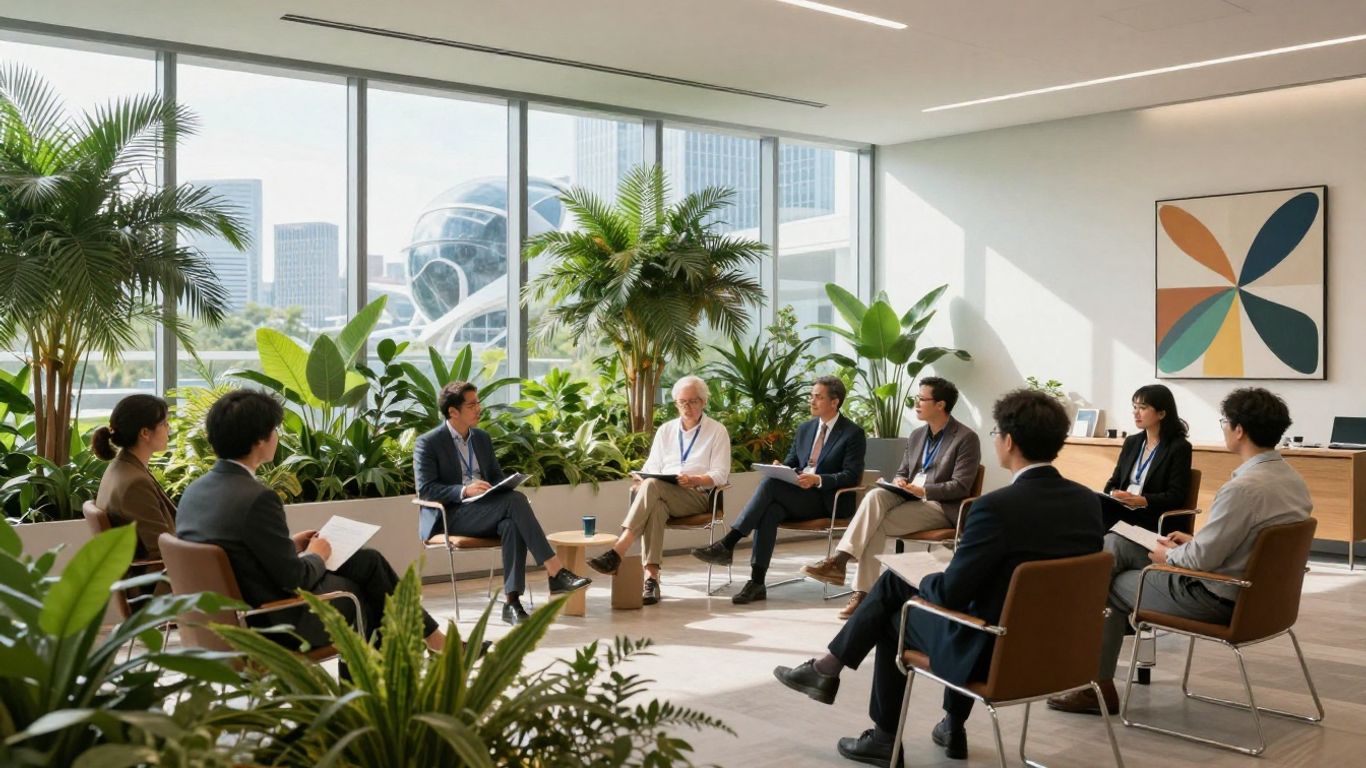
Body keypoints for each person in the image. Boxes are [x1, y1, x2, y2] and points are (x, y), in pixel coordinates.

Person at [772, 390, 1103, 765]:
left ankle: (876, 728)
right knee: (967, 600)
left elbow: (951, 595)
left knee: (896, 608)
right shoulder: (1088, 503)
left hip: (995, 653)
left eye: (996, 432)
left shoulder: (995, 509)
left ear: (1009, 441)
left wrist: (925, 575)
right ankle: (950, 725)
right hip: (1061, 653)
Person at [1049, 387, 1312, 717]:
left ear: (1239, 430)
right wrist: (1191, 542)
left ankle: (1094, 685)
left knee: (1108, 580)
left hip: (1216, 599)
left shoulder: (1242, 489)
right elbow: (1245, 543)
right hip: (1265, 602)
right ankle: (1087, 662)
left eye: (1224, 422)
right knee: (1115, 547)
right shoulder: (1292, 480)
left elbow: (1200, 562)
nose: (1224, 428)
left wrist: (1170, 556)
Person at [176, 390, 447, 653]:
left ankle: (432, 638)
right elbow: (296, 579)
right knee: (361, 594)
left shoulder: (195, 492)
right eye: (274, 430)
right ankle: (371, 686)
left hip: (224, 615)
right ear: (259, 440)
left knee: (367, 561)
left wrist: (291, 546)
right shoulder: (258, 498)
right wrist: (316, 555)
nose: (276, 437)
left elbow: (239, 553)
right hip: (274, 621)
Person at [801, 377, 981, 619]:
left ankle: (856, 585)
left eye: (922, 399)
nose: (916, 403)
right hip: (909, 498)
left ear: (940, 405)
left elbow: (960, 486)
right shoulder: (917, 435)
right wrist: (899, 482)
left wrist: (924, 491)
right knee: (876, 495)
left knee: (874, 526)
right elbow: (903, 472)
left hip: (939, 506)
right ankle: (843, 566)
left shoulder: (965, 438)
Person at [414, 380, 590, 626]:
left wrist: (504, 483)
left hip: (484, 509)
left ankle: (512, 603)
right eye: (472, 404)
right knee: (515, 504)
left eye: (478, 402)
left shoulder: (482, 438)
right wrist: (464, 490)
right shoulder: (428, 442)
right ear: (453, 411)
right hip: (451, 515)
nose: (479, 408)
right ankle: (556, 572)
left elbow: (494, 476)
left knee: (511, 523)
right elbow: (427, 489)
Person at [692, 375, 867, 605]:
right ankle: (757, 582)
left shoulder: (852, 433)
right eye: (811, 396)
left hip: (827, 501)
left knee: (771, 486)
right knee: (771, 509)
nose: (811, 401)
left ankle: (729, 543)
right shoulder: (805, 429)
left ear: (835, 402)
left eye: (818, 397)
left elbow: (850, 475)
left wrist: (818, 479)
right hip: (798, 494)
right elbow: (793, 461)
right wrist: (782, 468)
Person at [586, 375, 730, 606]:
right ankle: (651, 579)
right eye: (683, 402)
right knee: (655, 501)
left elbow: (721, 474)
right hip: (663, 492)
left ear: (704, 402)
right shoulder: (666, 430)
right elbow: (652, 467)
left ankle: (618, 550)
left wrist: (695, 479)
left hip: (698, 496)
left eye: (693, 401)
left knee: (652, 487)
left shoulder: (716, 431)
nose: (688, 407)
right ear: (676, 404)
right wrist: (640, 477)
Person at [92, 394, 177, 560]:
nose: (170, 428)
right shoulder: (135, 483)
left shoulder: (121, 467)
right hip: (158, 580)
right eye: (164, 423)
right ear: (145, 432)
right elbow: (161, 549)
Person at [1098, 384, 1193, 532]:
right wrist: (1114, 493)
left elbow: (1176, 496)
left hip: (1151, 516)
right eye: (1134, 407)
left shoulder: (1179, 447)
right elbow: (1112, 484)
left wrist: (1143, 500)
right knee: (1091, 506)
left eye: (1142, 408)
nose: (1136, 413)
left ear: (1161, 414)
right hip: (1124, 510)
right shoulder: (1132, 442)